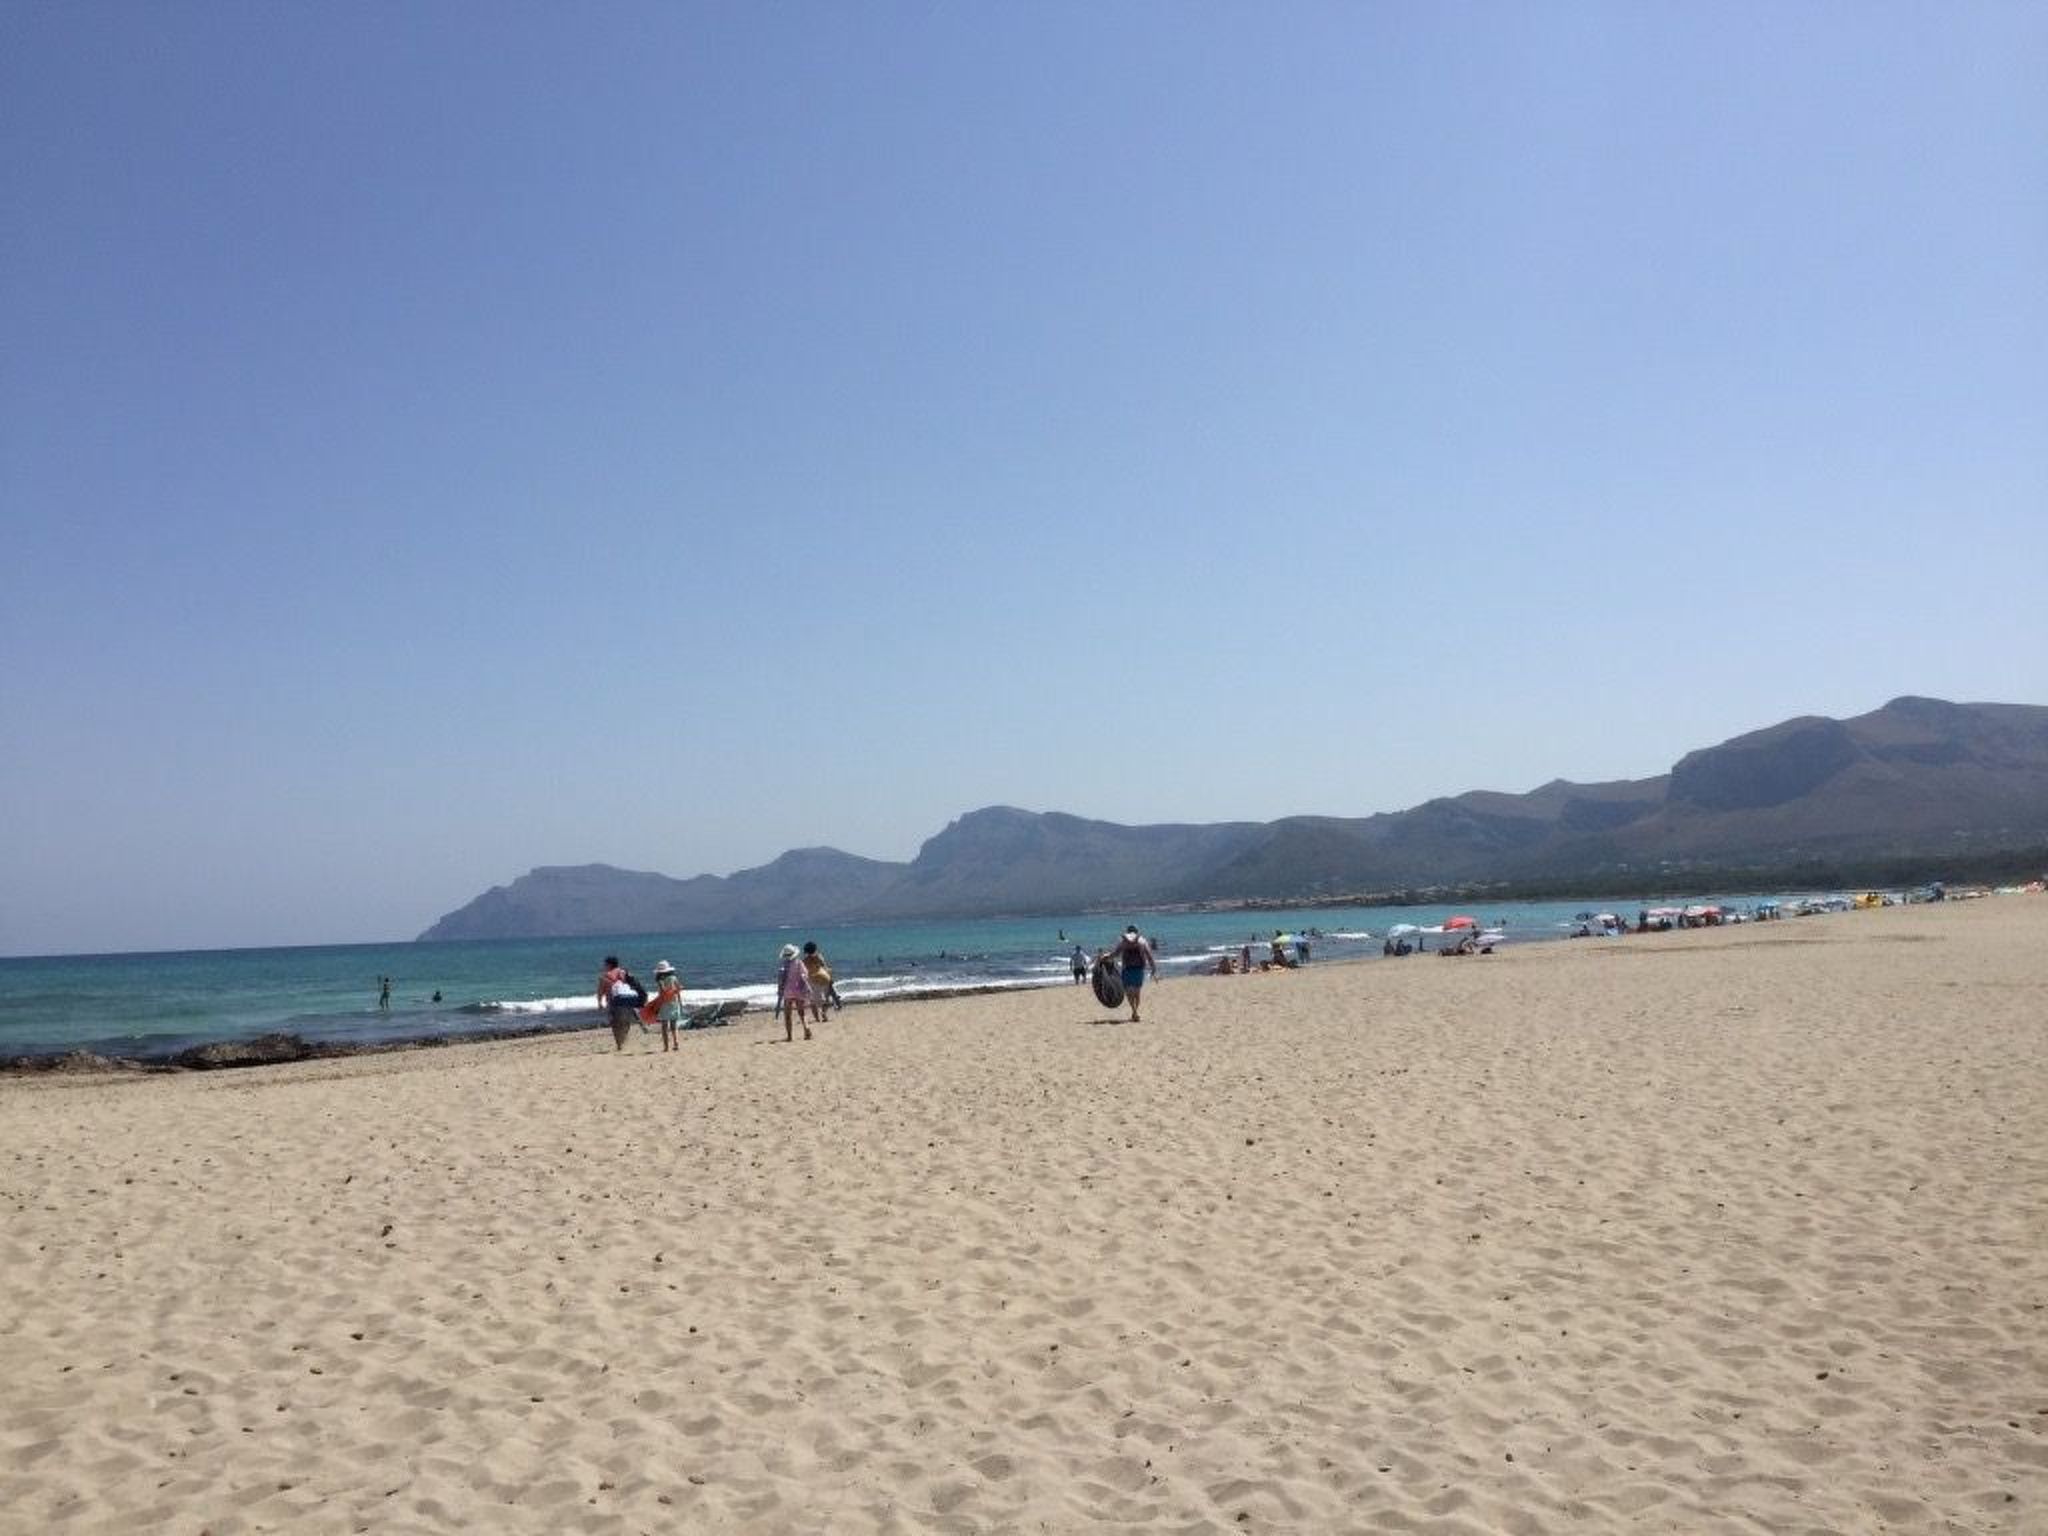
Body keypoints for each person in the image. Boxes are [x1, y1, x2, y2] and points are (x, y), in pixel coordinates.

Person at [1103, 925, 1156, 1022]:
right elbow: (1149, 955)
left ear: (1127, 932)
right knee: (1137, 992)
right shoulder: (1142, 941)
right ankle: (1135, 1012)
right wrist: (1153, 968)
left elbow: (1116, 954)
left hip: (1127, 969)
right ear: (1137, 931)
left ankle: (1134, 1011)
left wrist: (1106, 957)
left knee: (1129, 993)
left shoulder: (1123, 942)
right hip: (1139, 969)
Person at [597, 955, 646, 1052]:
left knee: (615, 1023)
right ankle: (624, 1039)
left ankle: (619, 1044)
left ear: (609, 965)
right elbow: (635, 984)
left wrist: (599, 1002)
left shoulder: (605, 976)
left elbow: (600, 991)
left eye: (605, 964)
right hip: (628, 1000)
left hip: (613, 1002)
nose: (604, 966)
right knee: (626, 1022)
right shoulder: (624, 972)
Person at [775, 943, 813, 1041]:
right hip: (799, 990)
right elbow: (805, 975)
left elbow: (780, 979)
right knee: (802, 1013)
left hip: (787, 992)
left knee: (787, 1015)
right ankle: (807, 1029)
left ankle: (789, 1036)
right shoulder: (799, 963)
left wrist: (779, 990)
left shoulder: (783, 965)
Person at [648, 960, 686, 1052]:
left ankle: (666, 1047)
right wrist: (680, 1002)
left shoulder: (660, 980)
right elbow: (678, 990)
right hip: (674, 1002)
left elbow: (663, 992)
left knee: (664, 1026)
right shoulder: (674, 978)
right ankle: (676, 1043)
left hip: (664, 1004)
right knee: (674, 1025)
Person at [800, 941, 837, 1022]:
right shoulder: (819, 957)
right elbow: (825, 967)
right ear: (815, 949)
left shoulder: (804, 961)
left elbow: (803, 972)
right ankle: (824, 1013)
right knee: (827, 999)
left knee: (813, 1001)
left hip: (812, 980)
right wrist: (830, 972)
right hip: (823, 978)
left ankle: (817, 1018)